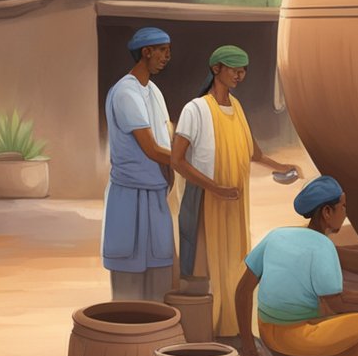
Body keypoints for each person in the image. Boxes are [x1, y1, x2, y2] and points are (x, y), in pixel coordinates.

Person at [172, 45, 302, 336]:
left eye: (243, 69)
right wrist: (214, 188)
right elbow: (177, 160)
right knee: (208, 270)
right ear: (216, 69)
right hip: (207, 202)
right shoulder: (196, 109)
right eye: (233, 68)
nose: (240, 74)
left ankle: (233, 329)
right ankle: (210, 332)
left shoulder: (238, 107)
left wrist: (280, 166)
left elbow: (253, 153)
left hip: (235, 204)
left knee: (236, 264)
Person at [233, 176, 358, 356]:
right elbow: (336, 303)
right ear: (327, 212)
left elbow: (242, 291)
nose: (345, 213)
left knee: (319, 306)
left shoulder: (275, 235)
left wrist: (248, 345)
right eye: (343, 207)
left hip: (267, 331)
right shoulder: (323, 245)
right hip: (296, 337)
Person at [102, 27, 175, 301]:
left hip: (156, 194)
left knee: (159, 279)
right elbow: (152, 149)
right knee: (128, 286)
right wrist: (187, 164)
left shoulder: (154, 91)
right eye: (163, 50)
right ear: (146, 52)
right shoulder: (125, 92)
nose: (168, 56)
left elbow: (166, 139)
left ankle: (154, 342)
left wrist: (172, 170)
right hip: (129, 196)